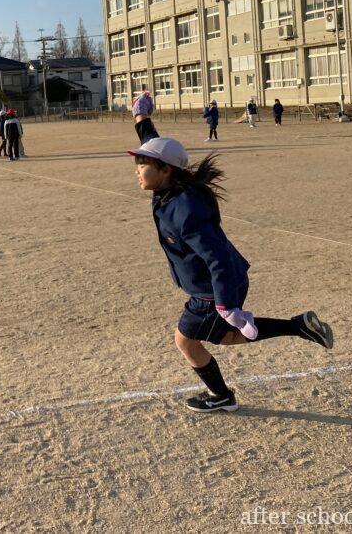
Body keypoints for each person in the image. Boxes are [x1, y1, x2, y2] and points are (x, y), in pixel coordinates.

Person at [129, 114, 334, 412]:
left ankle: (222, 396)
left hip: (213, 289)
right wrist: (142, 120)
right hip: (216, 283)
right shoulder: (168, 189)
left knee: (186, 341)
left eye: (143, 165)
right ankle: (299, 327)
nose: (137, 171)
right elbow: (158, 147)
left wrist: (226, 305)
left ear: (165, 169)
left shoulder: (184, 209)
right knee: (225, 337)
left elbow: (217, 257)